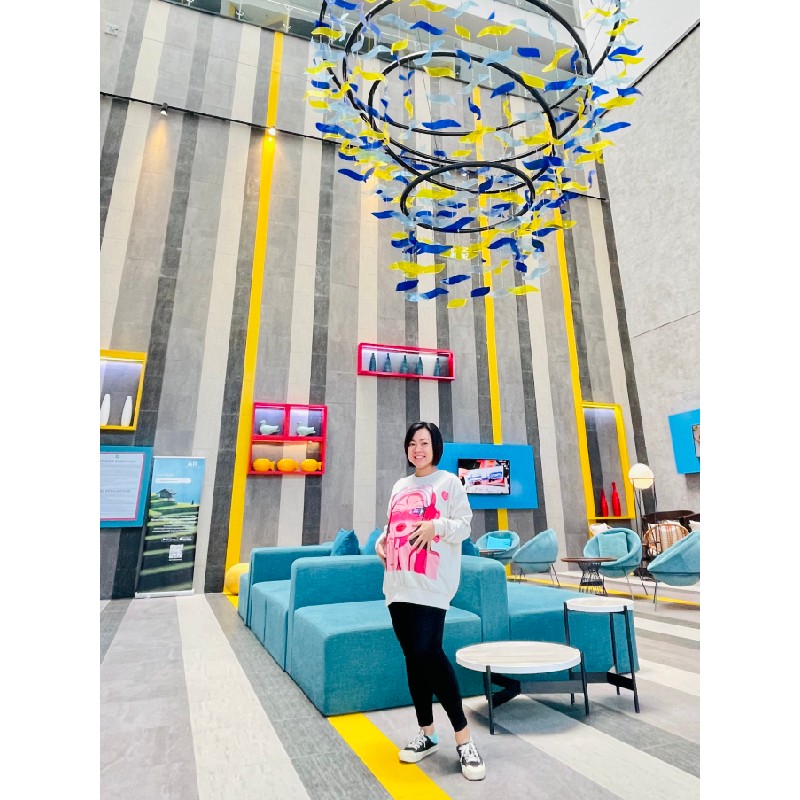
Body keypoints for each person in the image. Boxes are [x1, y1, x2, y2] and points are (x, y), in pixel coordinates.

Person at [375, 421, 486, 781]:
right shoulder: (399, 486)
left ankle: (464, 738)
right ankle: (427, 734)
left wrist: (436, 526)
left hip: (431, 585)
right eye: (412, 443)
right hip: (397, 584)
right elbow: (393, 527)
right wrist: (381, 543)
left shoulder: (449, 483)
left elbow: (465, 526)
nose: (417, 449)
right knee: (413, 658)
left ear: (435, 446)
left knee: (429, 652)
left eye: (424, 442)